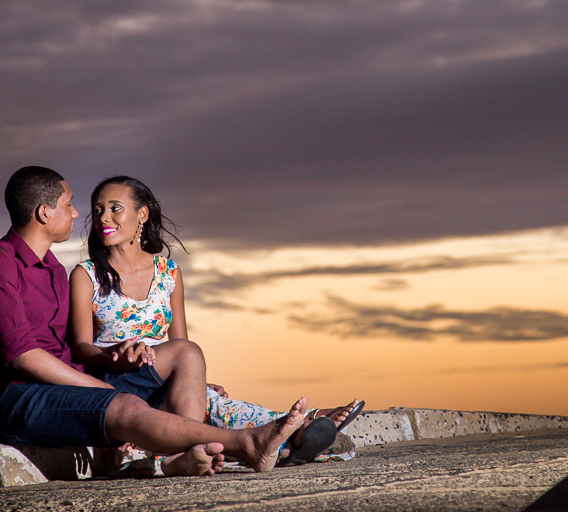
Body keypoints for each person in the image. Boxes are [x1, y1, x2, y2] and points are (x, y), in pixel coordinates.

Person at [0, 165, 311, 476]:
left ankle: (184, 457)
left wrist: (118, 356)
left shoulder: (53, 270)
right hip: (17, 398)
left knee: (186, 352)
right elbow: (23, 356)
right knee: (125, 405)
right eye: (68, 204)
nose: (77, 213)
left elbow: (69, 350)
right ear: (44, 212)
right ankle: (247, 443)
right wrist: (101, 388)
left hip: (66, 388)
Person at [68, 175, 364, 465]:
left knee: (221, 407)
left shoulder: (168, 273)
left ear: (142, 215)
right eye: (98, 210)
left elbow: (178, 342)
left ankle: (298, 436)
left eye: (115, 208)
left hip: (164, 376)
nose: (103, 218)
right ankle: (301, 428)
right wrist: (118, 355)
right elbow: (81, 348)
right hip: (118, 381)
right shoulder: (87, 275)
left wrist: (195, 381)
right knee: (192, 361)